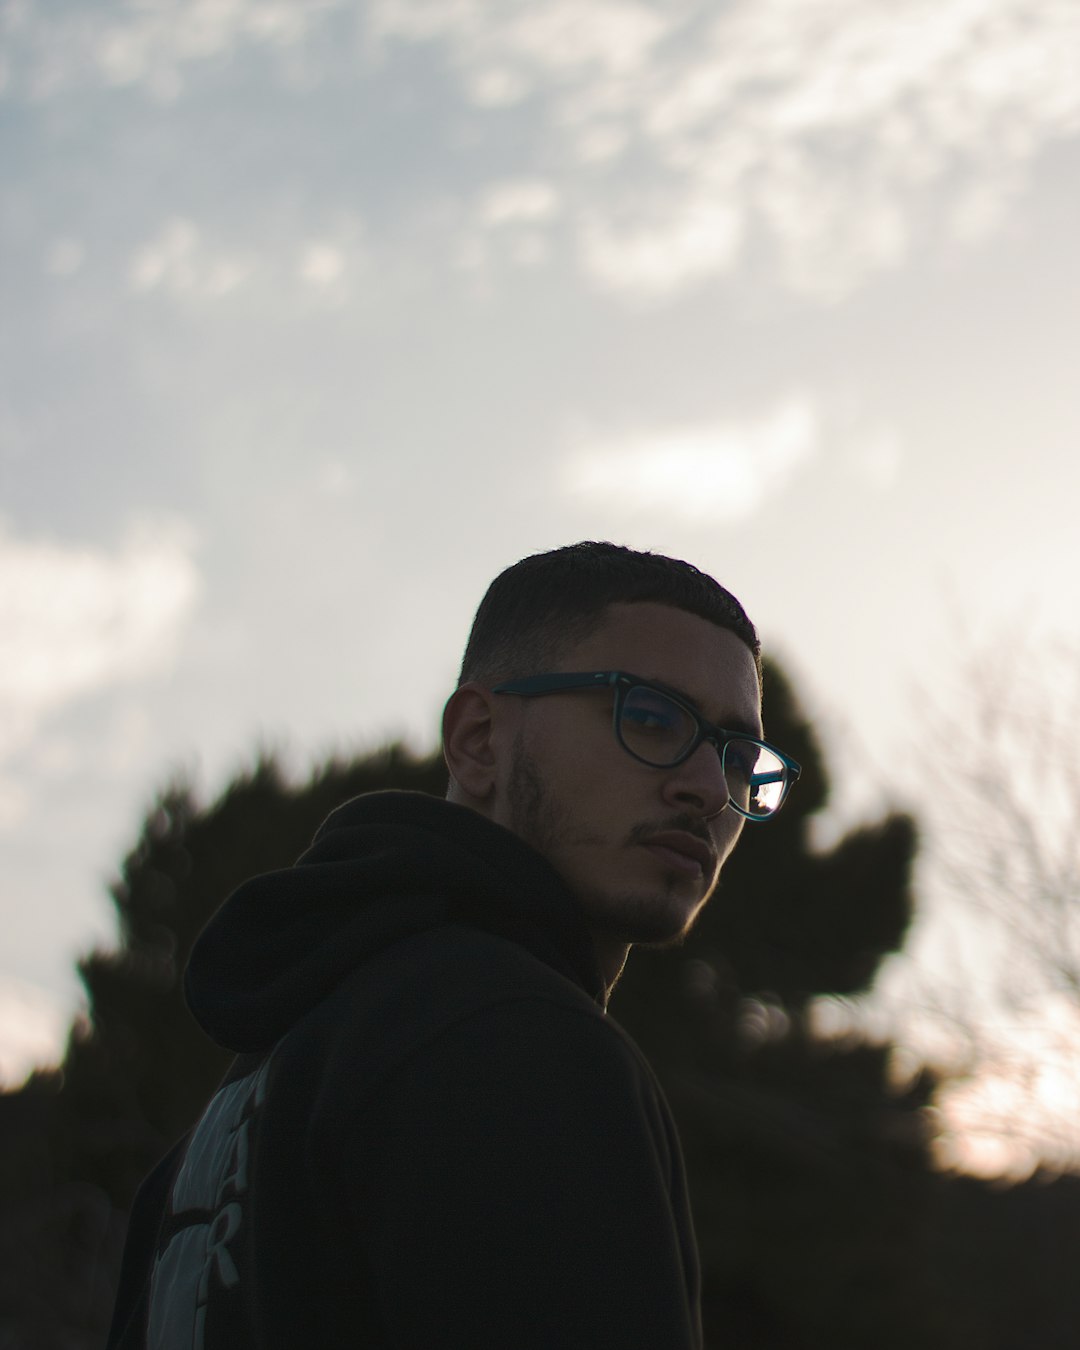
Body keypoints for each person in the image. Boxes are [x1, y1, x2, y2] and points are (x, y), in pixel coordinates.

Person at [106, 541, 800, 1349]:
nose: (710, 790)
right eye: (650, 716)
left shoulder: (225, 1130)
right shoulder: (520, 1045)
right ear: (478, 740)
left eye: (739, 757)